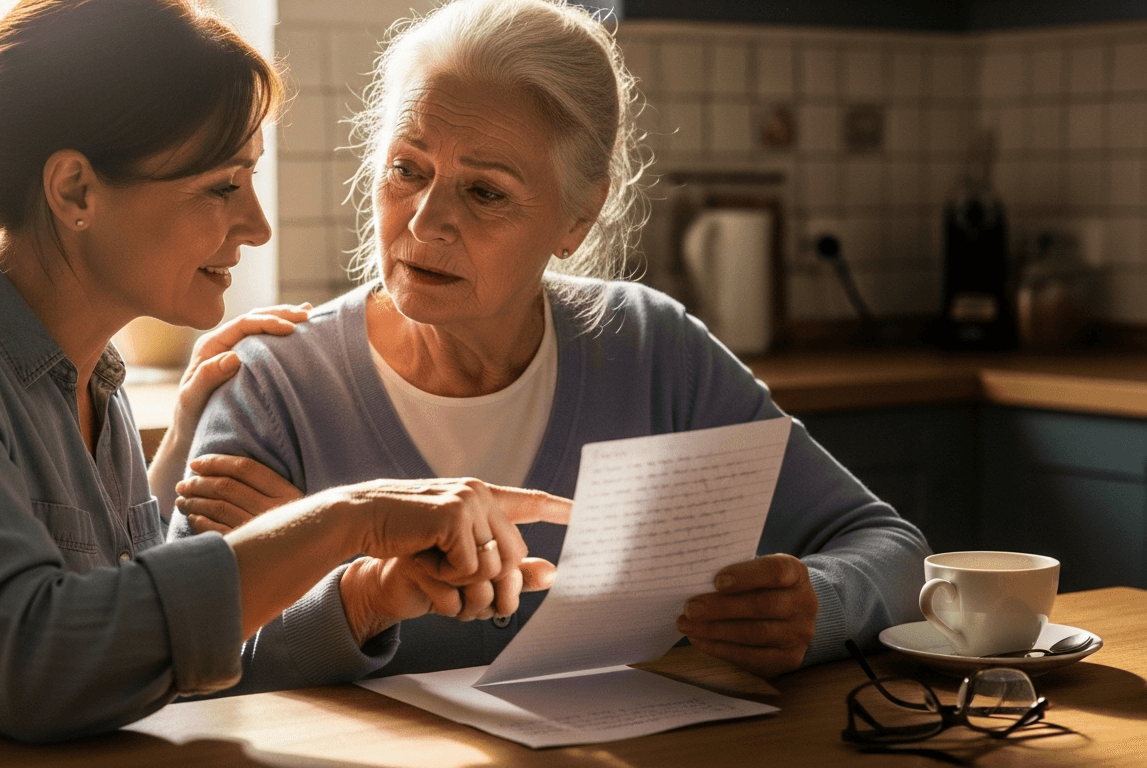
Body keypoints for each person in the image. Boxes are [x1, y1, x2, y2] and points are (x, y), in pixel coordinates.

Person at [0, 0, 569, 753]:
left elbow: (141, 659)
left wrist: (364, 594)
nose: (257, 224)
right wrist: (347, 520)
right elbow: (39, 664)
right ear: (75, 190)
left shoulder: (88, 382)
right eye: (222, 185)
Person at [173, 0, 931, 682]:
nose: (426, 218)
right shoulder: (271, 385)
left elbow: (890, 548)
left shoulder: (651, 349)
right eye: (407, 168)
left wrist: (819, 605)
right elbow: (181, 654)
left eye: (485, 191)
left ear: (577, 216)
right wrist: (360, 597)